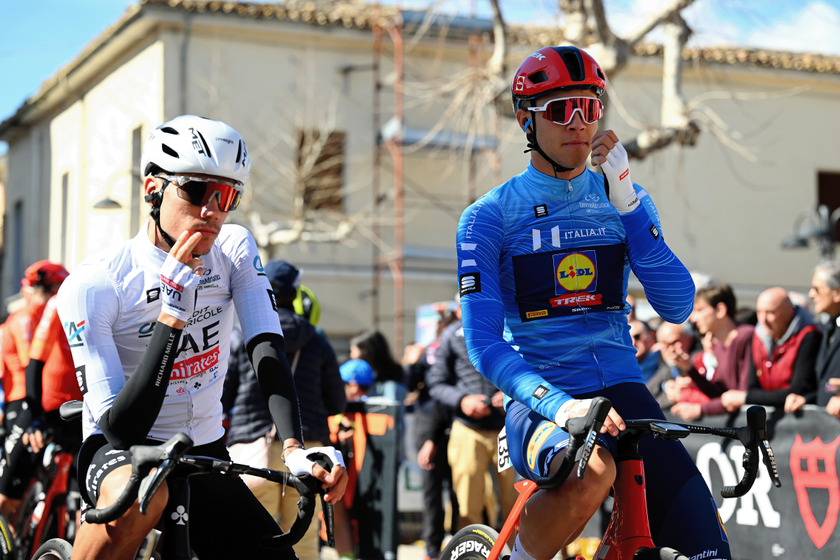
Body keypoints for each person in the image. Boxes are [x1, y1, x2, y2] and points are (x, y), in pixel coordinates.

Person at [456, 46, 729, 560]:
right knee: (592, 472)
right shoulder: (489, 216)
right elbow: (483, 344)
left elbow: (677, 306)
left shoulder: (624, 196)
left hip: (625, 389)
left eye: (590, 107)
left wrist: (628, 202)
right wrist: (561, 406)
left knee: (707, 550)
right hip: (544, 396)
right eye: (561, 109)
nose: (579, 122)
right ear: (526, 120)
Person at [56, 115, 347, 560]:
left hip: (203, 449)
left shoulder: (232, 249)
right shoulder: (97, 284)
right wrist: (172, 314)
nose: (211, 211)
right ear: (153, 189)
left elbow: (266, 345)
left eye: (226, 196)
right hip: (120, 449)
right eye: (195, 191)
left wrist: (293, 448)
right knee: (143, 500)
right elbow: (120, 428)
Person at [222, 259, 346, 560]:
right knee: (303, 542)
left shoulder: (241, 335)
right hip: (308, 451)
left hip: (253, 448)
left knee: (252, 539)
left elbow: (222, 397)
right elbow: (337, 402)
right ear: (295, 294)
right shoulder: (317, 340)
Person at [426, 296, 515, 532]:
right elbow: (436, 383)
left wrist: (511, 394)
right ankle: (472, 548)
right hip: (467, 430)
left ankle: (519, 550)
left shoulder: (510, 327)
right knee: (467, 505)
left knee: (517, 502)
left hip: (510, 428)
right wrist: (462, 400)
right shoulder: (451, 335)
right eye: (463, 304)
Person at [0, 261, 68, 520]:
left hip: (40, 400)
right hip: (23, 403)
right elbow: (32, 362)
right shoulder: (24, 319)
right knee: (7, 495)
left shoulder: (44, 317)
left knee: (22, 495)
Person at [719, 287, 820, 412]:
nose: (763, 319)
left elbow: (796, 392)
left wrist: (746, 398)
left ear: (789, 313)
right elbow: (752, 387)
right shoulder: (757, 338)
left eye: (770, 312)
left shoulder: (809, 337)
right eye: (759, 312)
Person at [670, 284, 754, 421]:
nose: (693, 318)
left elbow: (741, 396)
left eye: (699, 310)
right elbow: (719, 394)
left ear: (720, 310)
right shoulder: (719, 346)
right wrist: (689, 368)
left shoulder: (745, 336)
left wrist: (700, 409)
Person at [787, 261, 840, 419]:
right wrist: (806, 398)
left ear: (837, 293)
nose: (811, 294)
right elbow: (826, 384)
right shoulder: (828, 328)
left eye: (816, 289)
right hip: (827, 426)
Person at [647, 322, 696, 409]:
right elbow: (645, 396)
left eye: (674, 342)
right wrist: (668, 394)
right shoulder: (666, 365)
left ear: (690, 339)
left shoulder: (698, 361)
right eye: (664, 344)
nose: (670, 349)